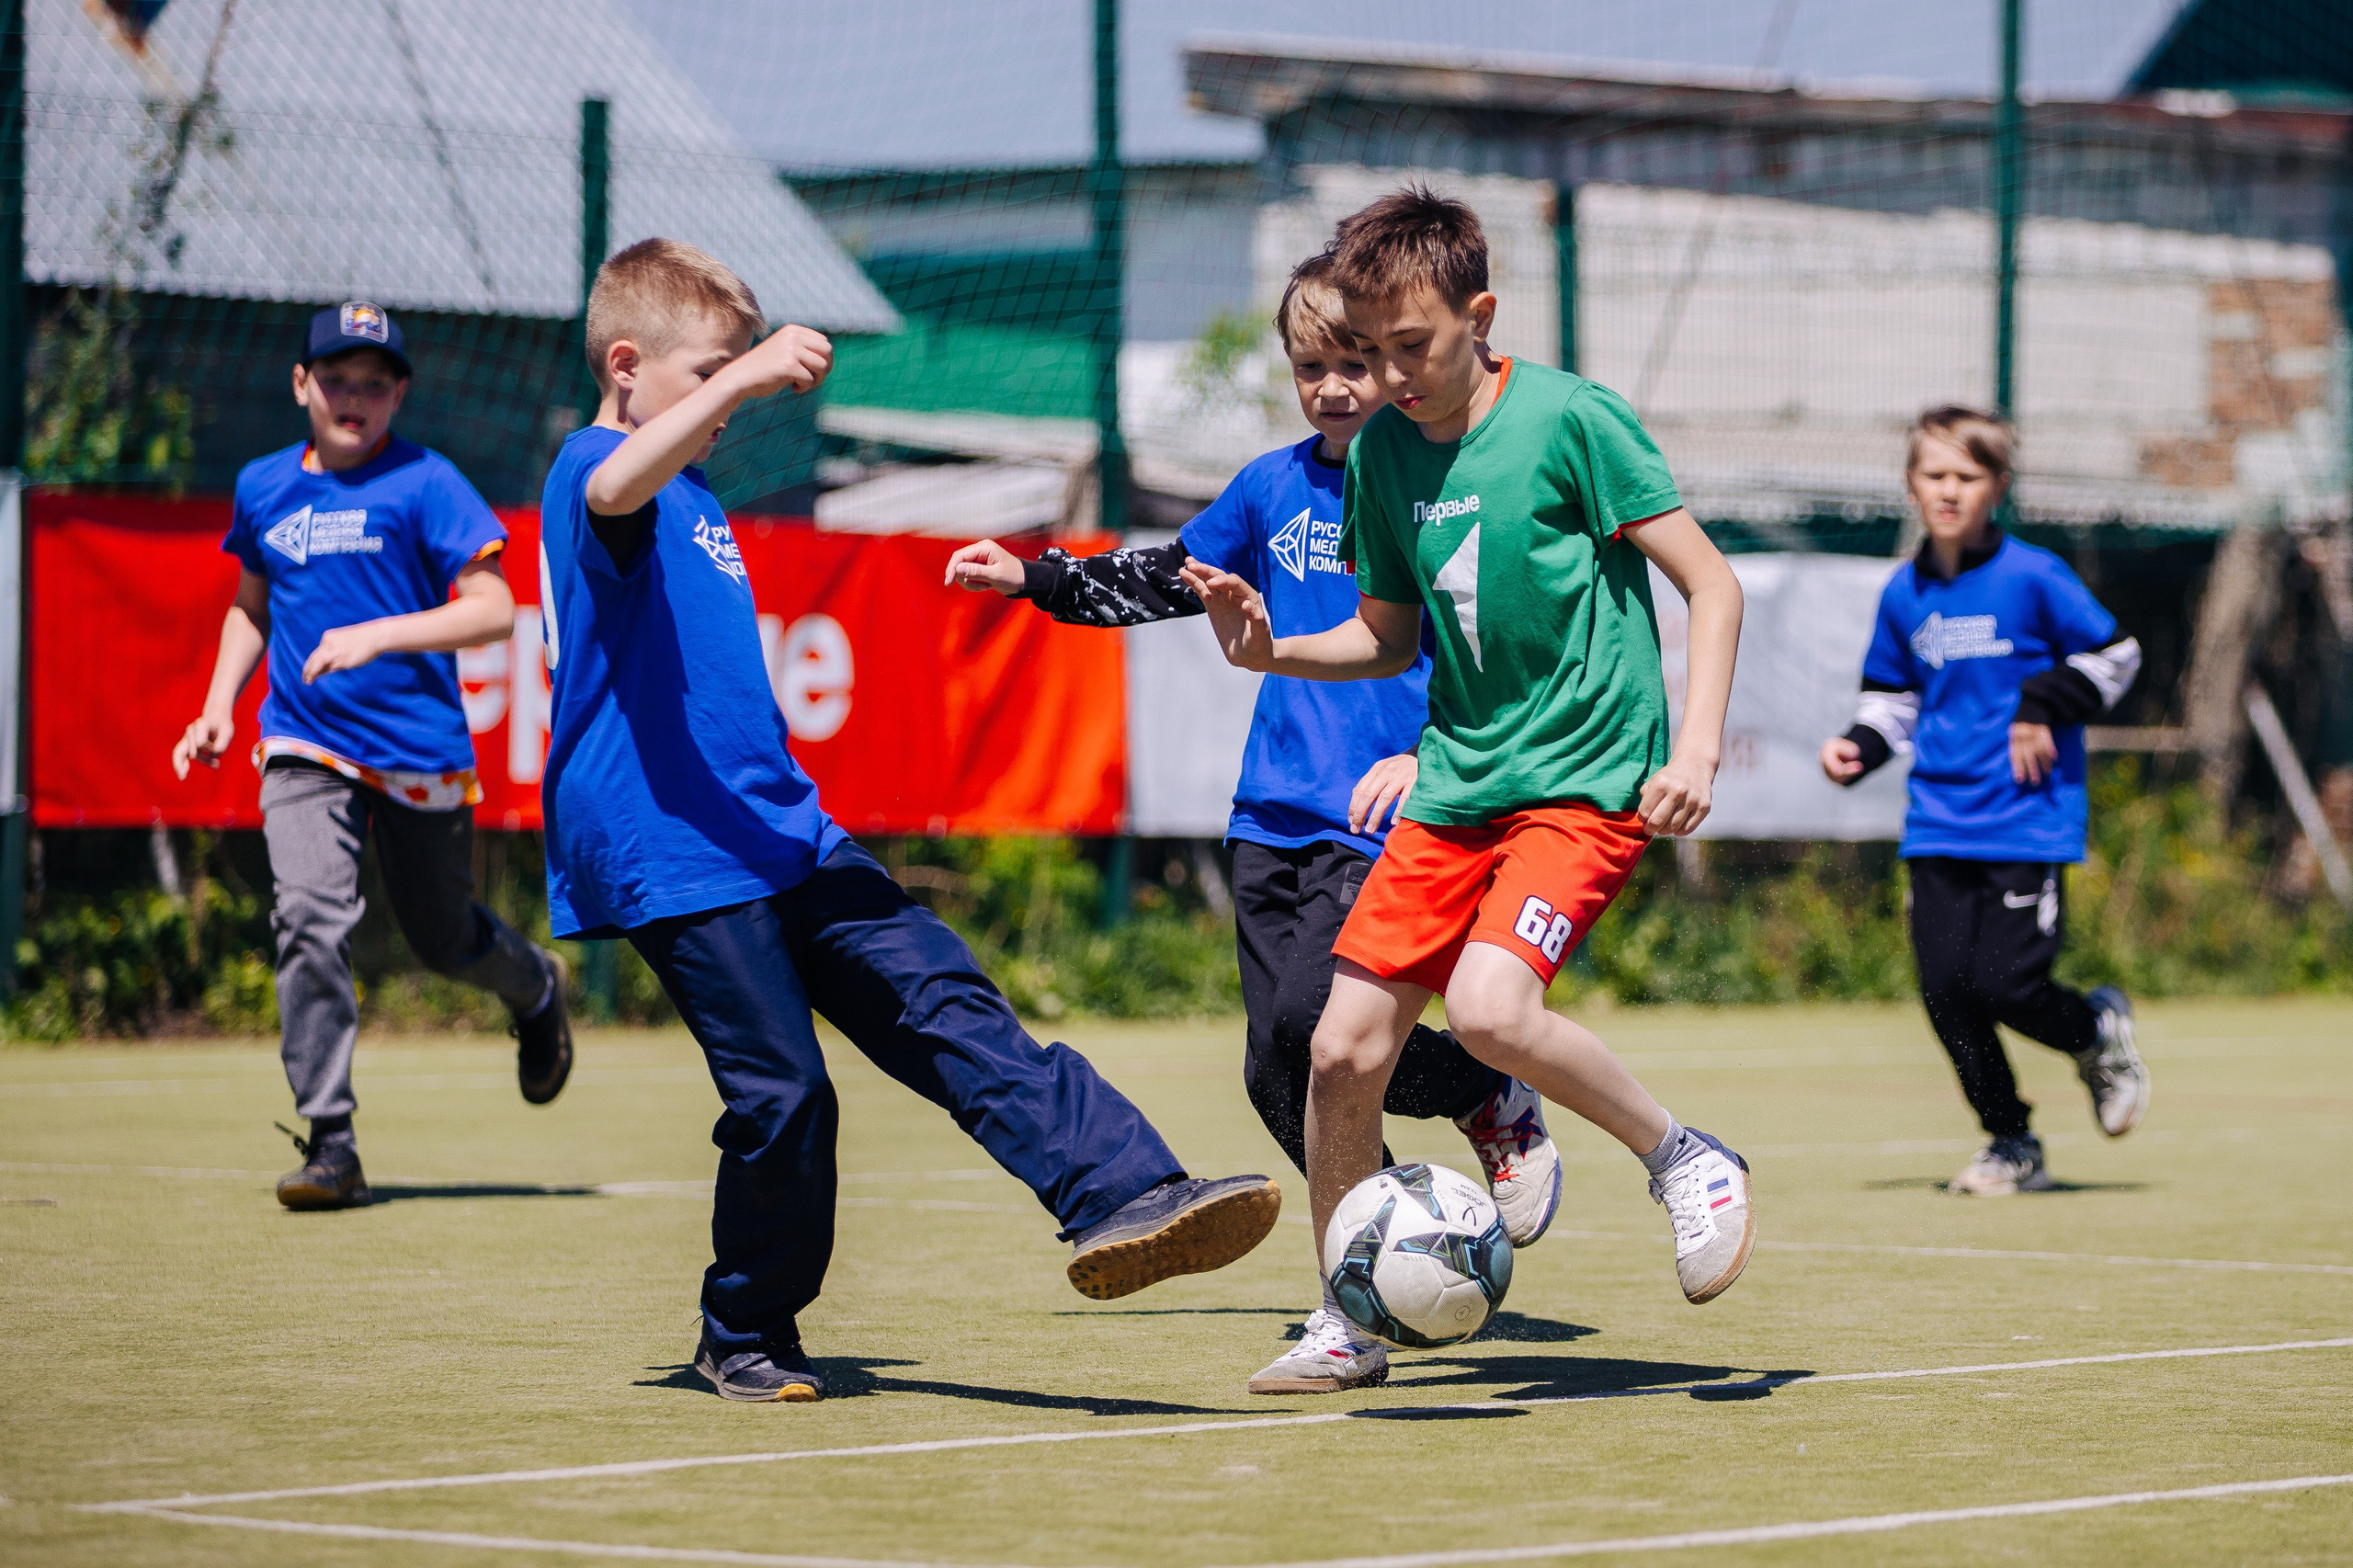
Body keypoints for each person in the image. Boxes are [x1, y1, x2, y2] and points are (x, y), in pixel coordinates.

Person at [539, 238, 1279, 1404]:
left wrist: (719, 383)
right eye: (705, 376)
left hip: (783, 831)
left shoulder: (692, 494)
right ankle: (742, 1326)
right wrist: (749, 373)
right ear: (625, 366)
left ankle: (1124, 1191)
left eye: (733, 374)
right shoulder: (599, 469)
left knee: (943, 996)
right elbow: (610, 489)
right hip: (670, 848)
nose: (728, 400)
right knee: (784, 1094)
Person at [948, 253, 1558, 1396]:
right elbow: (1167, 579)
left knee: (1312, 1020)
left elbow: (1500, 653)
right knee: (1274, 1064)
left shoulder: (1441, 490)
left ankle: (1479, 1101)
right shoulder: (1270, 486)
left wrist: (1426, 753)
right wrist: (1034, 577)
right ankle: (1378, 1261)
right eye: (1311, 365)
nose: (1334, 387)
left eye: (1357, 363)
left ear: (1398, 362)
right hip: (1269, 817)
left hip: (1391, 816)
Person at [1186, 187, 1759, 1325]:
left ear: (1479, 312)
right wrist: (1273, 651)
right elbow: (1386, 635)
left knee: (1491, 1011)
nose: (1393, 375)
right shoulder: (1383, 457)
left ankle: (1685, 1154)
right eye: (1372, 350)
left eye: (1414, 346)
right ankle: (1345, 1321)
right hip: (1458, 783)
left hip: (1584, 781)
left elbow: (1713, 582)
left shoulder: (1573, 420)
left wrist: (1694, 749)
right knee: (1338, 1048)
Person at [172, 301, 573, 1212]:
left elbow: (490, 607)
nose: (355, 397)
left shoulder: (427, 483)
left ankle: (533, 984)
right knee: (309, 914)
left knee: (442, 937)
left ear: (399, 394)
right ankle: (331, 1140)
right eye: (337, 379)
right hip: (302, 738)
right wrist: (215, 708)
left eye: (375, 383)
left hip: (414, 747)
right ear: (301, 384)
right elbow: (250, 603)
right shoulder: (265, 486)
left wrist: (376, 636)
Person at [1819, 406, 2148, 1195]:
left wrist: (2041, 703)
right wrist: (1856, 748)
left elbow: (2117, 655)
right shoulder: (1905, 592)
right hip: (1938, 820)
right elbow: (1893, 699)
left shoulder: (2034, 576)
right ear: (1911, 484)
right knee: (1944, 990)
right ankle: (2011, 1140)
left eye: (1968, 476)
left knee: (2006, 985)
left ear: (1997, 486)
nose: (1949, 490)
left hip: (2025, 820)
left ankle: (2095, 1031)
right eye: (1935, 474)